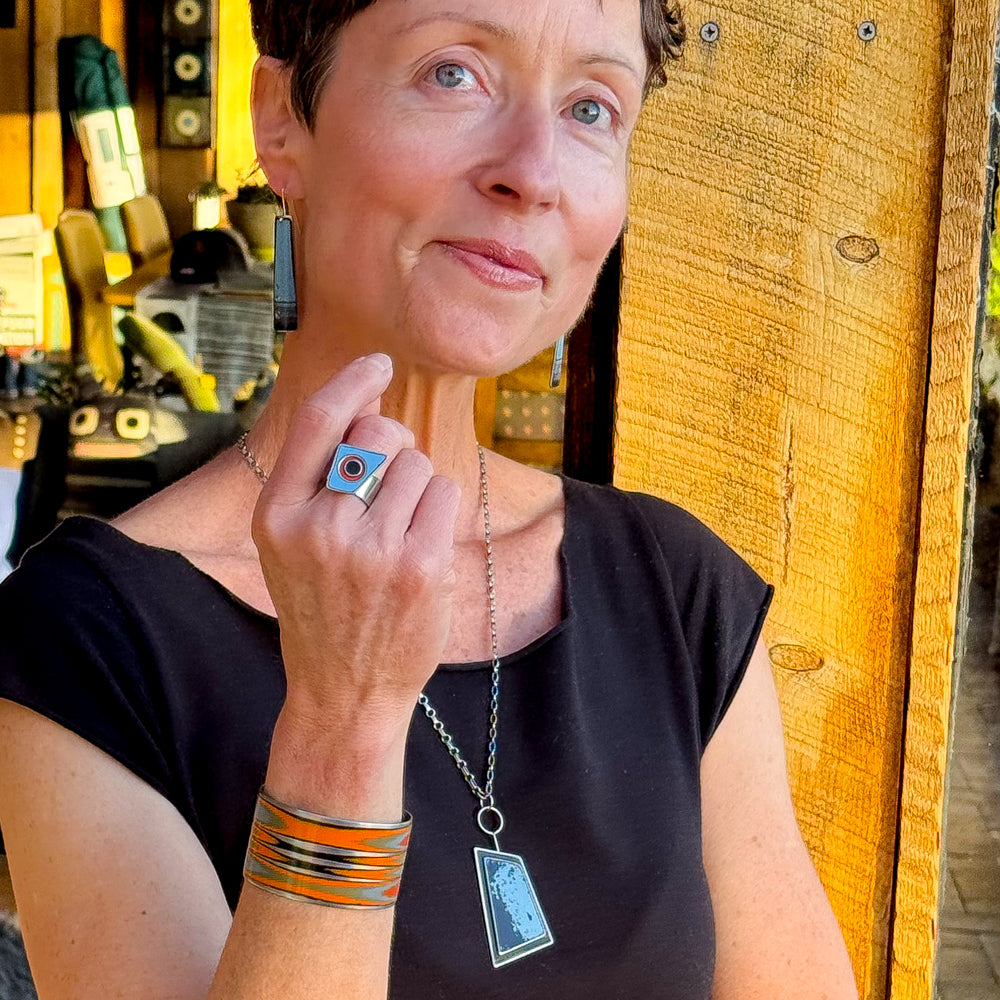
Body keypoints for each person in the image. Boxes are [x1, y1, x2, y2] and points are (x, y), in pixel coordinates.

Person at [0, 1, 860, 997]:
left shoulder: (676, 588)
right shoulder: (85, 642)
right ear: (280, 116)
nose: (531, 171)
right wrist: (344, 727)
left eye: (592, 107)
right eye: (454, 72)